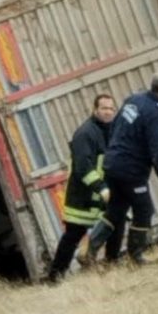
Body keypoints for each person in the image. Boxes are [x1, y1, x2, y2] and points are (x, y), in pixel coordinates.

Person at [84, 72, 158, 265]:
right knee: (144, 211)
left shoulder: (133, 99)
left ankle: (89, 251)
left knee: (116, 210)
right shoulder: (156, 113)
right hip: (131, 171)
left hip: (112, 164)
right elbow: (157, 154)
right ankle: (136, 256)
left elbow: (114, 126)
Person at [45, 94, 117, 282]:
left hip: (103, 193)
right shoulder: (85, 133)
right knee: (73, 235)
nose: (108, 112)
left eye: (111, 108)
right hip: (84, 196)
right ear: (95, 110)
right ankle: (55, 276)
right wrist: (101, 188)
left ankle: (108, 262)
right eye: (104, 108)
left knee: (114, 224)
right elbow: (83, 166)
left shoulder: (112, 130)